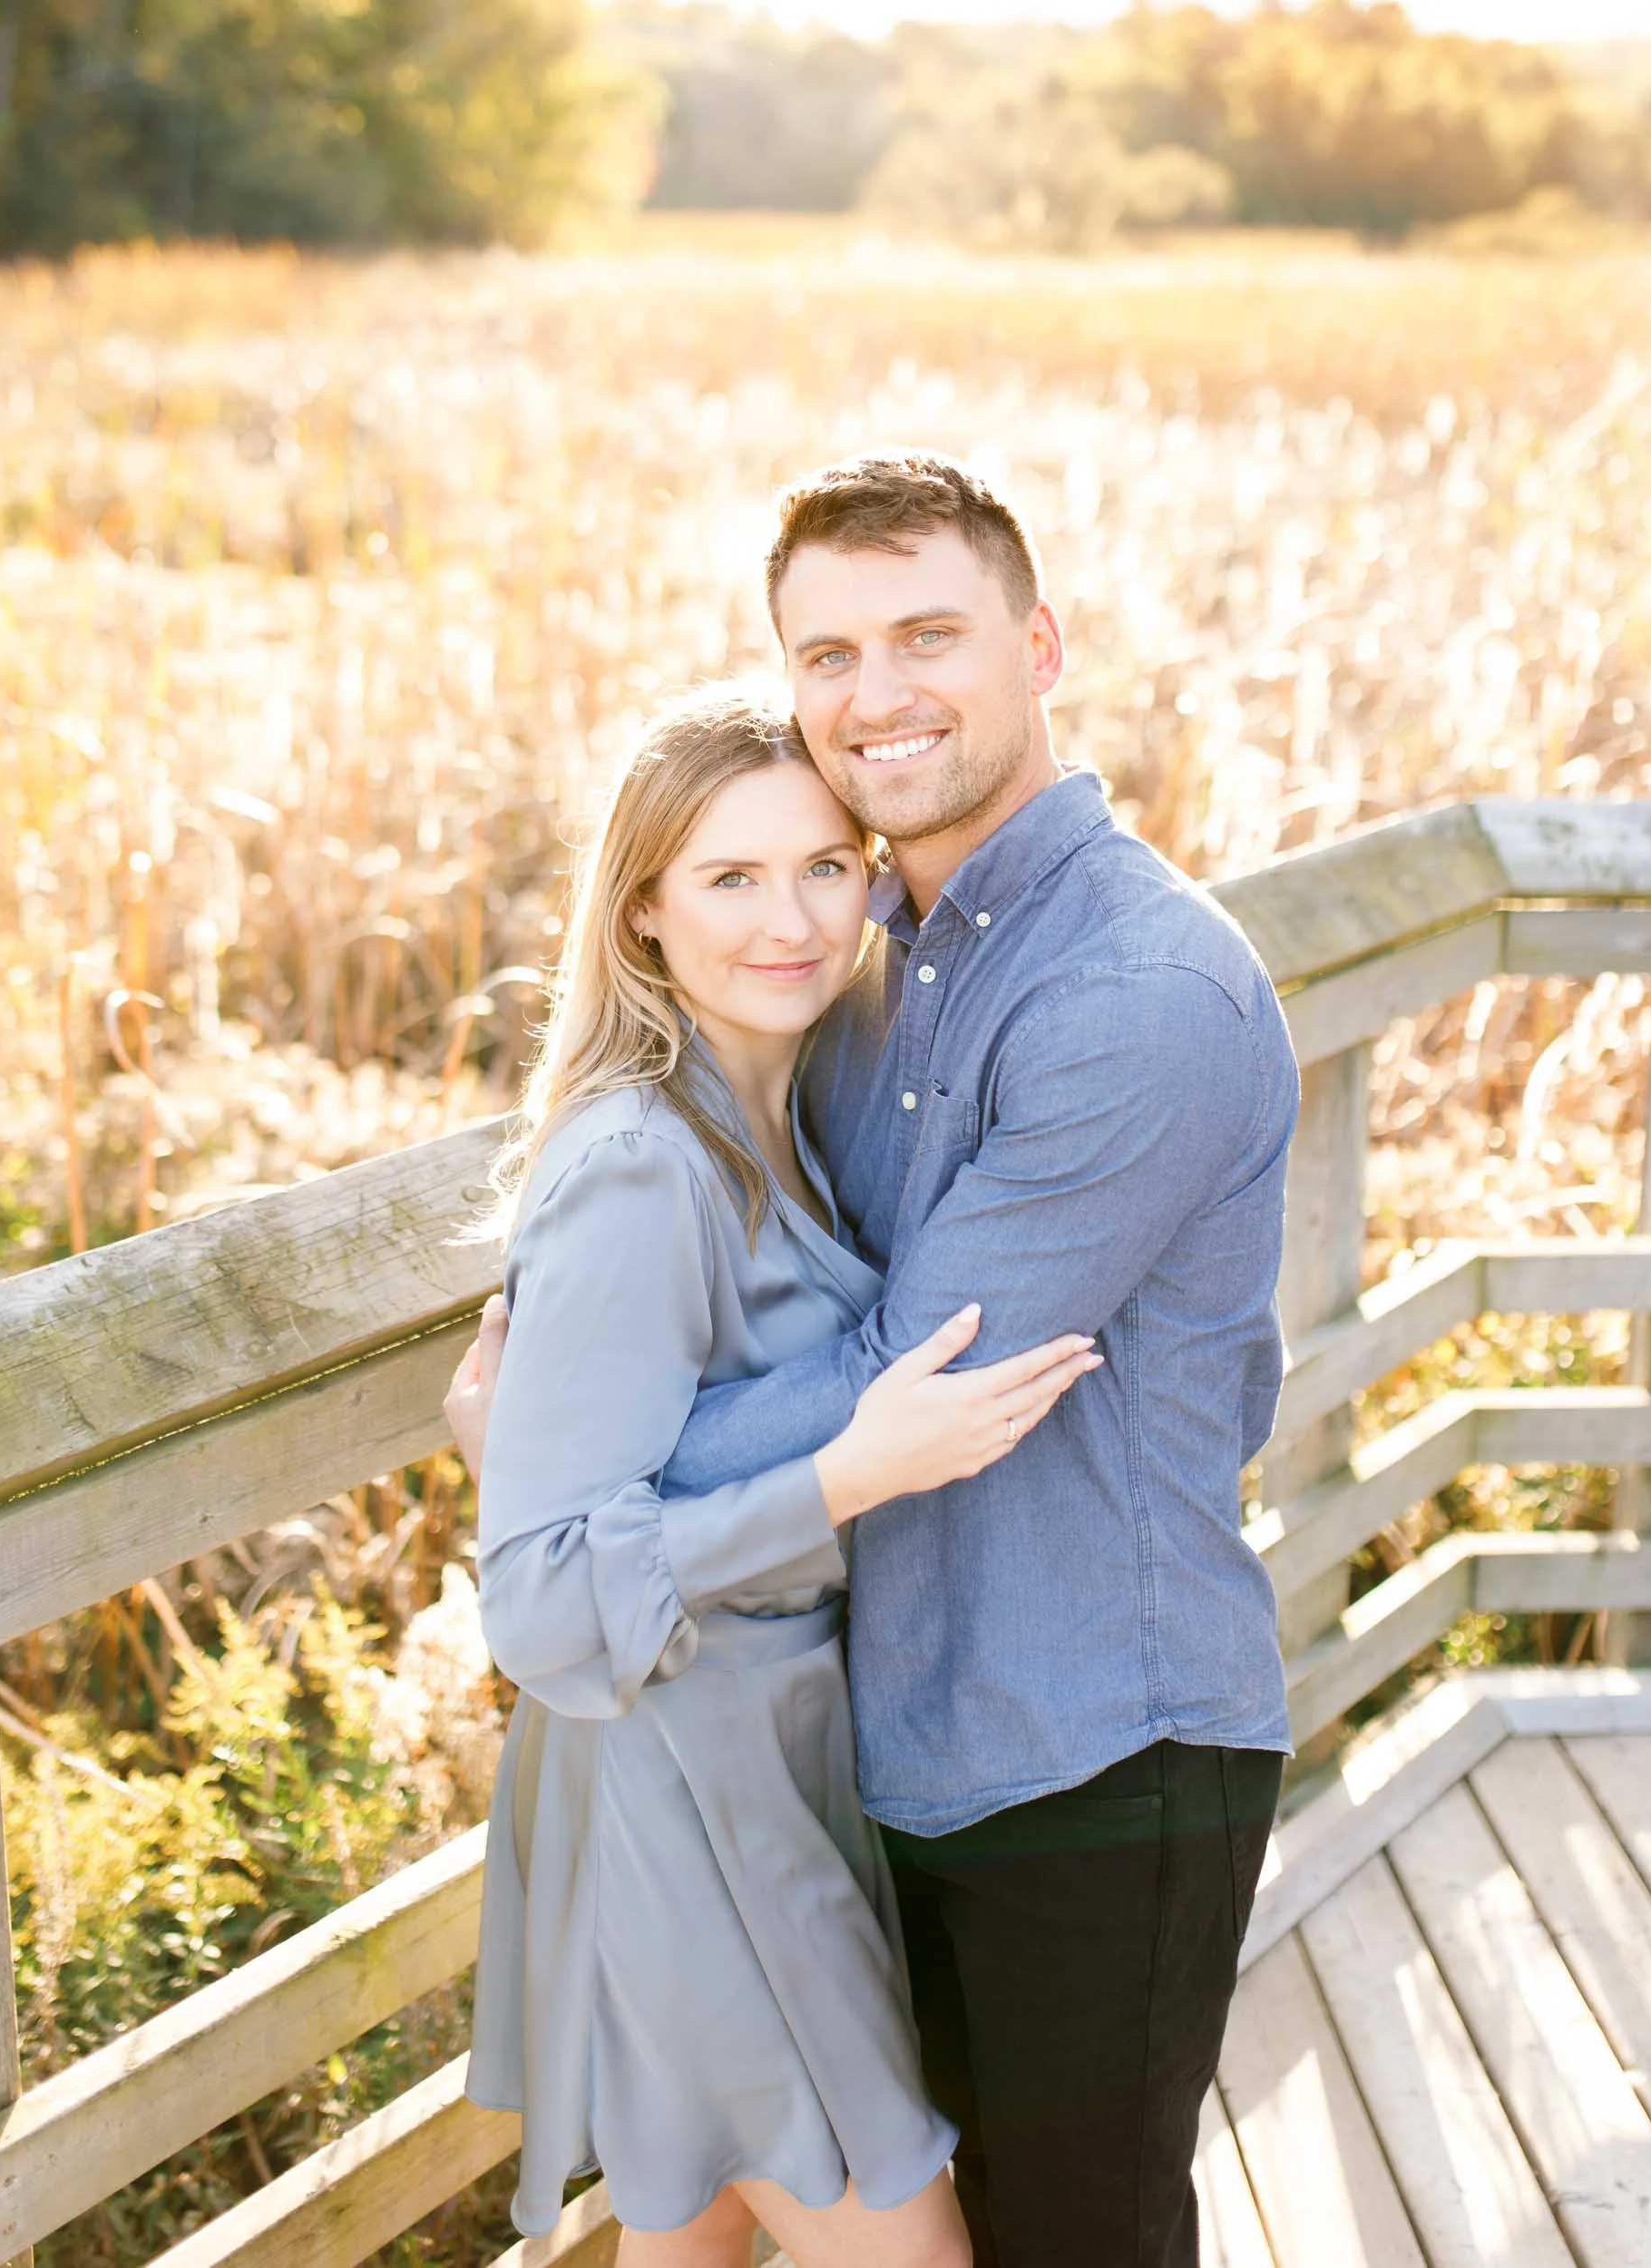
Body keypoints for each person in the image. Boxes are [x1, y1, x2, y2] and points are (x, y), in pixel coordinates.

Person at [450, 453, 1300, 2268]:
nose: (875, 690)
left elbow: (926, 1370)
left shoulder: (1129, 988)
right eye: (825, 650)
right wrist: (573, 1469)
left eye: (927, 630)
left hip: (1094, 1745)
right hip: (872, 1753)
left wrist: (571, 1463)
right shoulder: (861, 971)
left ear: (1038, 644)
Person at [455, 687, 1099, 2268]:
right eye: (730, 880)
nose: (793, 919)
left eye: (825, 866)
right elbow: (538, 1603)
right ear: (646, 914)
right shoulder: (636, 1167)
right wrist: (844, 1476)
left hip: (767, 1762)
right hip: (684, 1786)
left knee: (695, 2234)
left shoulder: (784, 1115)